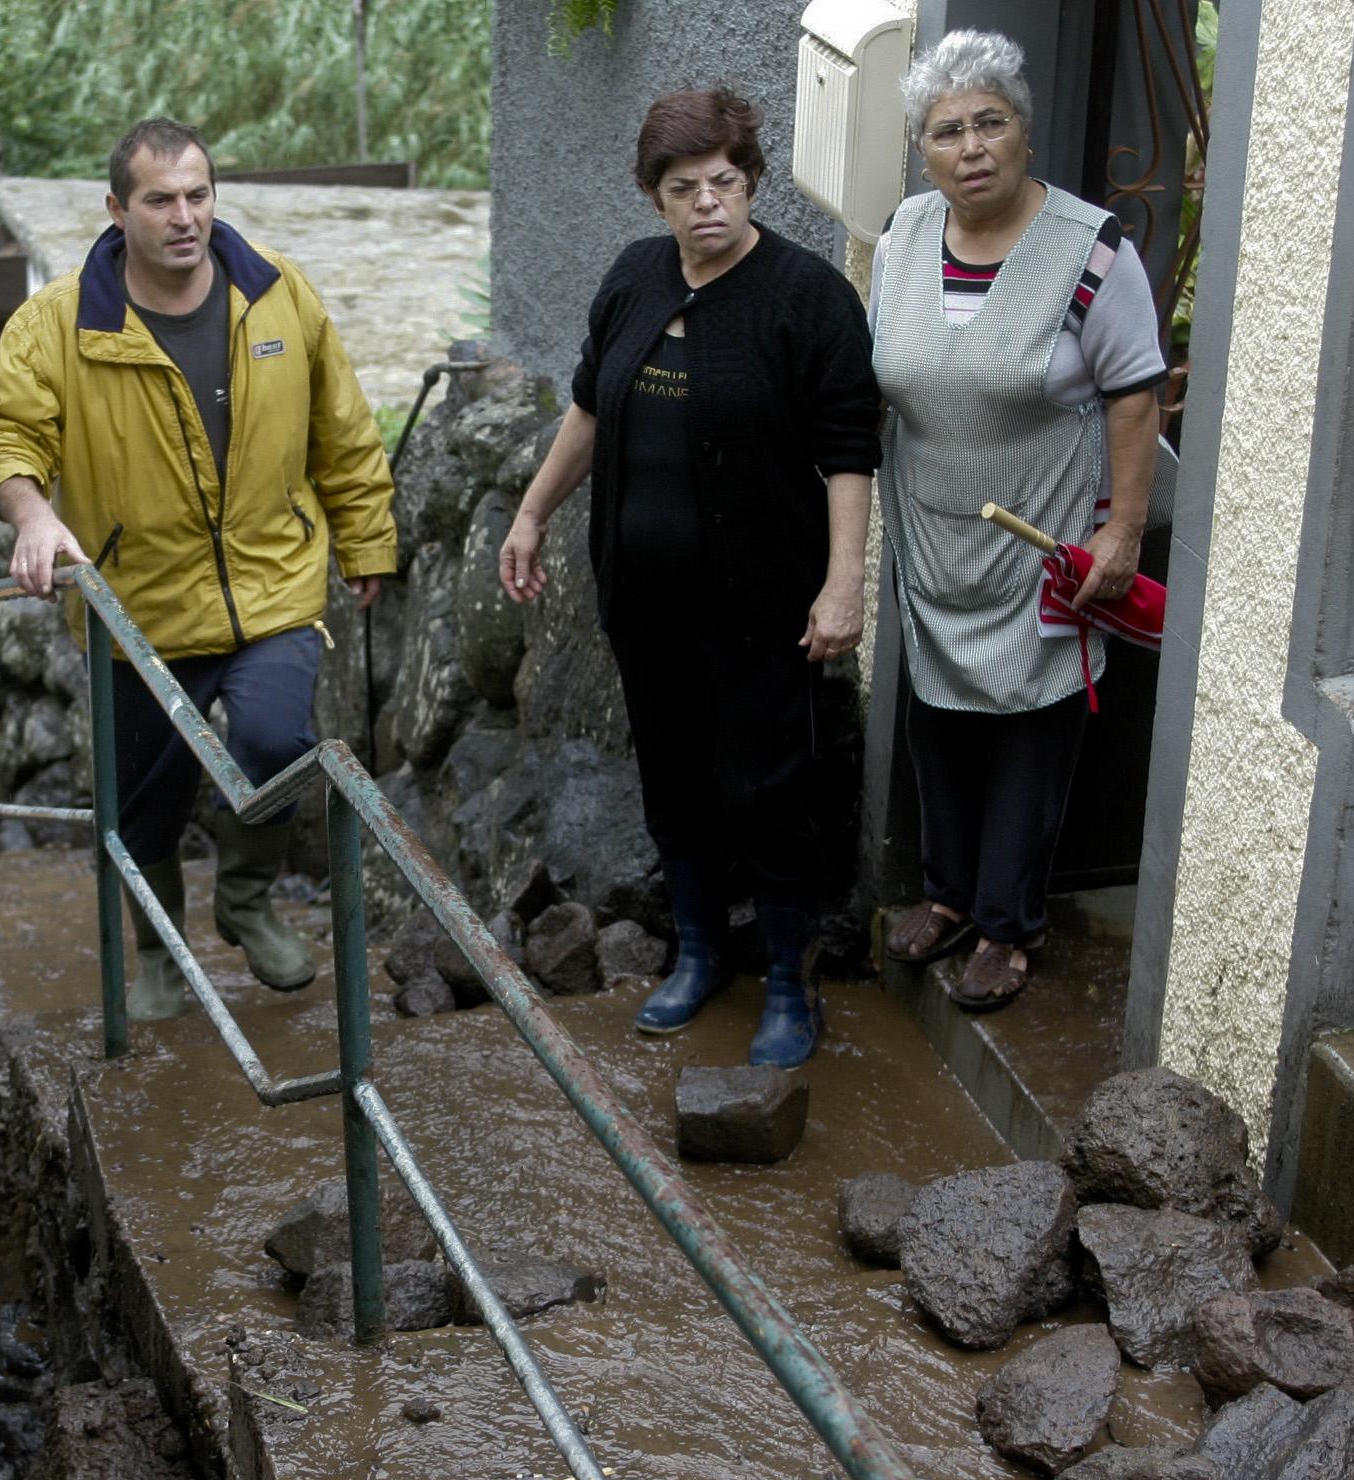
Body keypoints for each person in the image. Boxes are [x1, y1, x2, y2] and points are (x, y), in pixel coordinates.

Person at [0, 118, 396, 1023]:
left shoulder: (277, 294)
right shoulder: (61, 322)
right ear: (117, 209)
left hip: (272, 583)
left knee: (275, 742)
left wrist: (366, 542)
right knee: (145, 797)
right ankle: (159, 947)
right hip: (140, 607)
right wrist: (32, 513)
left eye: (197, 195)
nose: (184, 216)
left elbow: (343, 431)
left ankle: (246, 899)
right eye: (159, 199)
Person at [499, 88, 881, 1068]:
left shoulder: (807, 299)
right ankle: (700, 953)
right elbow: (589, 409)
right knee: (673, 780)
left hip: (761, 605)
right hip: (644, 599)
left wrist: (844, 585)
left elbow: (849, 451)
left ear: (750, 182)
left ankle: (791, 984)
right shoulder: (634, 277)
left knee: (769, 790)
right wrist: (531, 513)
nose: (708, 202)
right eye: (683, 188)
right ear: (653, 196)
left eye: (724, 181)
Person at [870, 31, 1168, 1011]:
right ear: (923, 151)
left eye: (989, 122)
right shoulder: (904, 234)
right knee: (939, 718)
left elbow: (1134, 396)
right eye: (946, 130)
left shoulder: (1093, 249)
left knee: (1032, 728)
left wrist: (1123, 532)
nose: (971, 147)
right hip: (933, 531)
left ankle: (1008, 925)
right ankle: (948, 896)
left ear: (1025, 133)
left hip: (1045, 538)